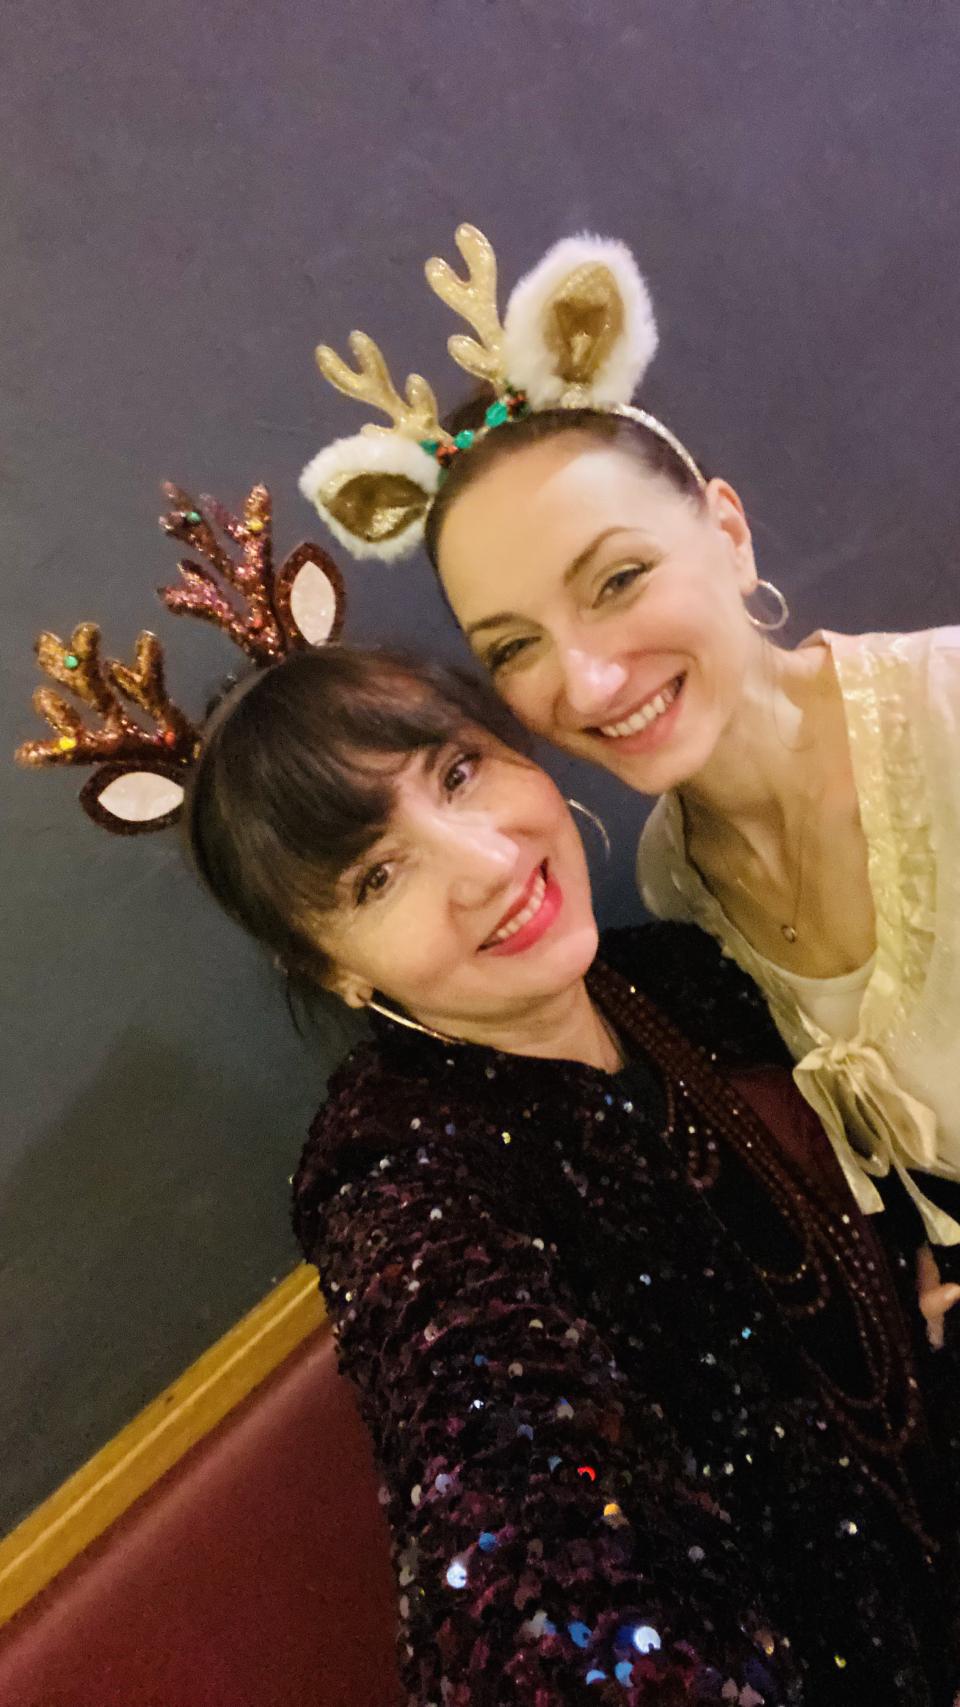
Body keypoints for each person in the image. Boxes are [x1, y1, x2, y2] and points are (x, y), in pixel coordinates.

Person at [185, 640, 960, 1705]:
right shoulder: (397, 1173)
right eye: (378, 877)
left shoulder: (682, 972)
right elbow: (520, 1569)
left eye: (458, 773)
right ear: (333, 966)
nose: (485, 863)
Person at [301, 223, 960, 1264]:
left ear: (728, 534)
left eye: (617, 579)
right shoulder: (675, 882)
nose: (590, 681)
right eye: (515, 646)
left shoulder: (948, 712)